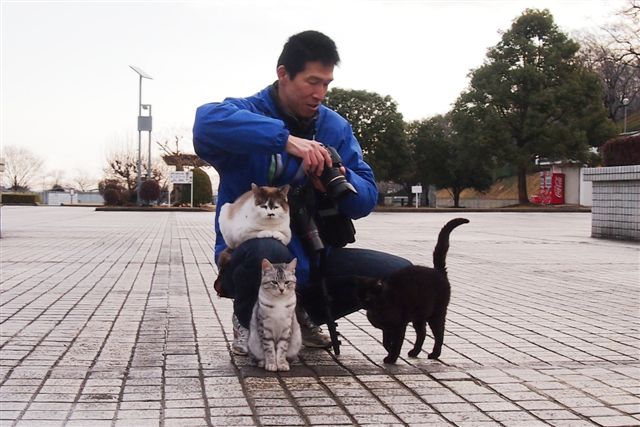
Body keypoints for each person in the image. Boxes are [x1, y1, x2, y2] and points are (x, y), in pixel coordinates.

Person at [193, 30, 411, 356]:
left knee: (401, 274)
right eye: (312, 82)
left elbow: (364, 198)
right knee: (270, 249)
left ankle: (302, 315)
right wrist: (285, 140)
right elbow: (205, 122)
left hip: (313, 255)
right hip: (253, 255)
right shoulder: (248, 112)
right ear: (283, 74)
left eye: (326, 83)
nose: (320, 92)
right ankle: (247, 319)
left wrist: (338, 177)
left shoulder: (334, 127)